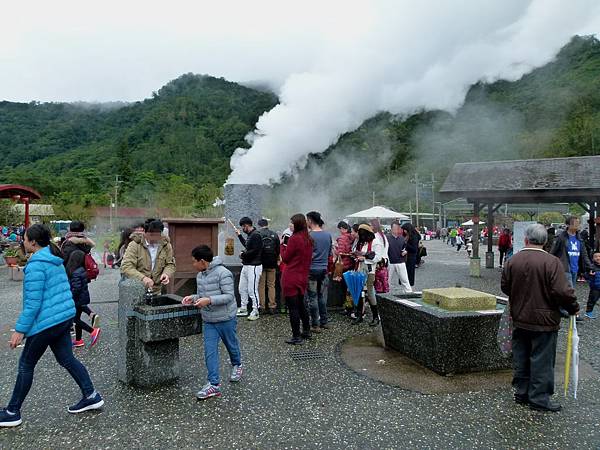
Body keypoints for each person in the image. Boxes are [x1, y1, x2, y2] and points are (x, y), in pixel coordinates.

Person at [0, 225, 103, 427]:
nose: (23, 241)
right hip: (62, 318)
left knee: (26, 365)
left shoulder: (36, 265)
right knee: (67, 359)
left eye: (25, 238)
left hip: (46, 323)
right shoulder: (54, 259)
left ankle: (13, 411)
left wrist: (20, 330)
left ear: (33, 242)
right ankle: (91, 395)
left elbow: (32, 304)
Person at [501, 223, 578, 412]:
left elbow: (505, 287)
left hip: (519, 317)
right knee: (542, 360)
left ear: (526, 239)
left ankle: (522, 392)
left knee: (522, 356)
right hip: (545, 321)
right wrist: (573, 308)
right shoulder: (552, 263)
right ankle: (539, 398)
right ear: (545, 241)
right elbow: (562, 291)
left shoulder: (512, 260)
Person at [182, 245, 242, 400]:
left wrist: (208, 300)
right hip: (209, 320)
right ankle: (213, 385)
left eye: (194, 261)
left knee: (231, 345)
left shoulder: (223, 273)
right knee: (210, 351)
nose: (193, 264)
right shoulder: (200, 275)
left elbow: (229, 296)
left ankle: (237, 364)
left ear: (202, 261)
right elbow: (203, 294)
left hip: (226, 318)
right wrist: (194, 298)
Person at [281, 214, 313, 345]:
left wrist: (283, 246)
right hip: (303, 276)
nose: (290, 225)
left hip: (291, 277)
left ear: (298, 224)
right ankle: (306, 330)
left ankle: (296, 336)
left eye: (292, 223)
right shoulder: (308, 239)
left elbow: (286, 258)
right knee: (301, 306)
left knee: (293, 308)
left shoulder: (294, 239)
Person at [120, 219, 176, 295]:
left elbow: (170, 264)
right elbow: (126, 267)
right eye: (151, 235)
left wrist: (166, 274)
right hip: (136, 289)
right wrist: (143, 278)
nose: (154, 238)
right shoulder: (135, 245)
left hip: (156, 290)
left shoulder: (166, 245)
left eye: (157, 235)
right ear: (145, 233)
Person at [61, 220, 100, 327]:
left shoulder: (68, 243)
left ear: (71, 229)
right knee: (78, 303)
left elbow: (63, 260)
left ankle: (72, 327)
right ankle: (78, 337)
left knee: (71, 303)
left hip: (71, 276)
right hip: (83, 275)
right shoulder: (86, 243)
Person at [66, 250, 101, 348]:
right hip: (82, 299)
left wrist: (70, 297)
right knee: (77, 318)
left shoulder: (75, 272)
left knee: (75, 319)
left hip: (77, 300)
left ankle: (92, 331)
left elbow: (76, 288)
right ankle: (78, 340)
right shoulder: (81, 270)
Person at [352, 224, 383, 326]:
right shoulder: (363, 242)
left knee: (370, 293)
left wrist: (364, 258)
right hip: (360, 270)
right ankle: (360, 315)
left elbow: (378, 258)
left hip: (370, 271)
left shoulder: (376, 242)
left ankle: (375, 317)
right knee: (359, 292)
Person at [306, 211, 332, 332]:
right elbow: (330, 253)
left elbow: (306, 255)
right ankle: (324, 322)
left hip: (311, 270)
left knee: (312, 298)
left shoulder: (309, 236)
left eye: (307, 220)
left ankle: (315, 324)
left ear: (310, 221)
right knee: (322, 297)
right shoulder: (327, 235)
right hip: (324, 269)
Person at [550, 216, 593, 288]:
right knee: (570, 290)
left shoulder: (580, 239)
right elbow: (552, 253)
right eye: (575, 223)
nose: (577, 225)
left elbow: (584, 255)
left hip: (575, 269)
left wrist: (591, 267)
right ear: (568, 225)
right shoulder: (561, 238)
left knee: (569, 291)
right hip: (564, 268)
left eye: (578, 223)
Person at [234, 217, 263, 320]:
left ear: (246, 225)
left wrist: (243, 254)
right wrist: (239, 235)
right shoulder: (251, 235)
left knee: (252, 290)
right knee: (242, 288)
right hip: (246, 266)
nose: (242, 228)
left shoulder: (256, 235)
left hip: (254, 266)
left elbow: (255, 250)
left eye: (242, 227)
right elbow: (247, 245)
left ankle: (255, 310)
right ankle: (243, 308)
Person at [256, 218, 280, 314]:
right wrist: (277, 259)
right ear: (267, 224)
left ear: (259, 225)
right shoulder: (274, 234)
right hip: (272, 263)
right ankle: (272, 306)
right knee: (271, 285)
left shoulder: (257, 234)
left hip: (260, 263)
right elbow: (278, 249)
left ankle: (262, 307)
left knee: (261, 286)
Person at [334, 221, 356, 315]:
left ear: (342, 229)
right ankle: (350, 306)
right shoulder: (352, 237)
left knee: (345, 288)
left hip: (344, 265)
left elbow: (341, 252)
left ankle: (347, 308)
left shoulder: (342, 238)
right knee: (349, 287)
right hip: (351, 265)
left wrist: (335, 249)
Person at [387, 221, 412, 293]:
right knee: (387, 280)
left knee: (405, 280)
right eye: (395, 228)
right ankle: (385, 294)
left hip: (401, 261)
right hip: (390, 262)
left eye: (398, 228)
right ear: (391, 229)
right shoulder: (387, 238)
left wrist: (405, 252)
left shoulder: (402, 238)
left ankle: (409, 293)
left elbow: (405, 248)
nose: (397, 230)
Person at [401, 222, 420, 287]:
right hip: (407, 257)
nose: (403, 231)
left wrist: (406, 244)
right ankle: (405, 284)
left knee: (410, 272)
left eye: (404, 230)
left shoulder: (414, 236)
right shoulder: (408, 235)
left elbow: (414, 249)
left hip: (411, 257)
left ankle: (409, 285)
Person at [585, 251, 600, 319]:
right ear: (593, 259)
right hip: (595, 287)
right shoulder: (591, 267)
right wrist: (589, 275)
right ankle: (588, 312)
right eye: (596, 256)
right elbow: (585, 275)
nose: (598, 258)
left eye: (599, 256)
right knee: (592, 300)